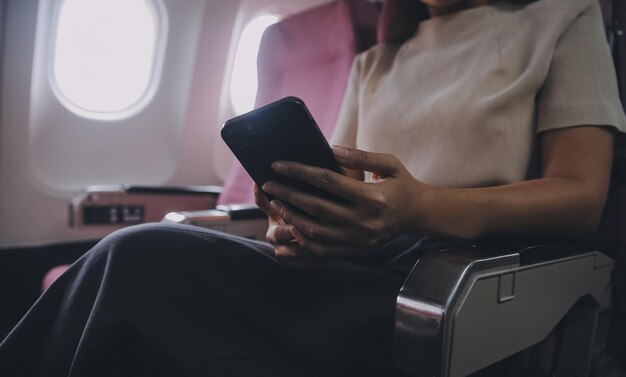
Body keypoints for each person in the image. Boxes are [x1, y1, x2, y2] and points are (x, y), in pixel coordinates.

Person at [1, 0, 625, 375]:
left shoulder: (560, 18)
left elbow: (581, 194)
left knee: (132, 261)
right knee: (127, 271)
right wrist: (295, 224)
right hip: (348, 272)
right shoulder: (375, 62)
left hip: (449, 290)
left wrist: (418, 208)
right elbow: (340, 186)